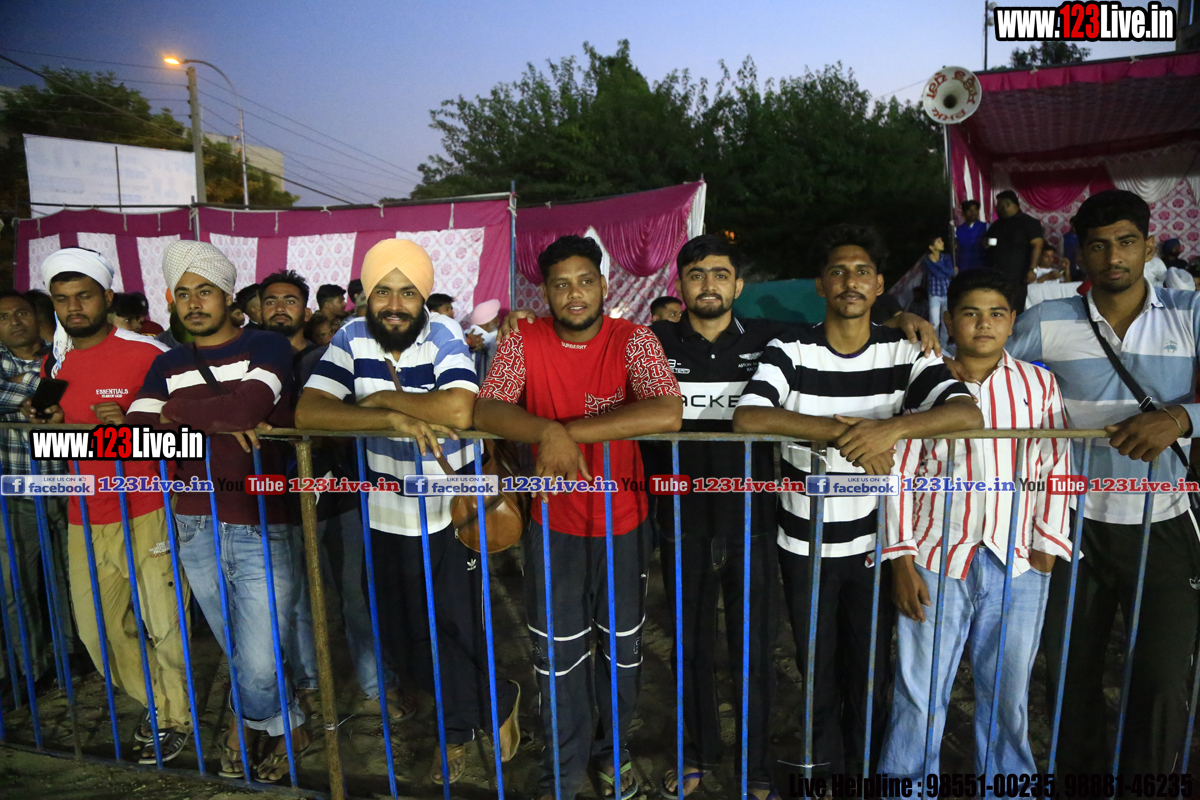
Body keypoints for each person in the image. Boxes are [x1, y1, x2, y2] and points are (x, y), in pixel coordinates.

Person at [732, 224, 982, 778]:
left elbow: (967, 412)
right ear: (821, 285)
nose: (850, 280)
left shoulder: (903, 349)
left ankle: (866, 771)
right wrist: (842, 432)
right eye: (838, 271)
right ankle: (821, 771)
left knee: (870, 668)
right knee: (815, 666)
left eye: (862, 271)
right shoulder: (791, 348)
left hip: (875, 541)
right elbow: (749, 416)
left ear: (879, 285)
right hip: (804, 541)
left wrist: (891, 430)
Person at [296, 238, 519, 785]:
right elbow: (310, 410)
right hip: (383, 507)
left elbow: (459, 408)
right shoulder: (350, 337)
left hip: (450, 506)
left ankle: (455, 733)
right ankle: (497, 696)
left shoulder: (442, 333)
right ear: (366, 297)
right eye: (383, 292)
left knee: (454, 626)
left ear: (423, 297)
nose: (395, 304)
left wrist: (376, 401)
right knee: (398, 631)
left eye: (408, 292)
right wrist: (392, 420)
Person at [996, 189, 1200, 776]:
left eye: (1127, 242)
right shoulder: (1047, 320)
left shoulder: (1189, 312)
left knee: (1164, 677)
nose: (1114, 257)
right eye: (1099, 246)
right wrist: (912, 328)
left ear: (1149, 246)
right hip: (1070, 526)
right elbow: (980, 368)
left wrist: (1180, 418)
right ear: (1080, 254)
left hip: (1164, 522)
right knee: (1069, 675)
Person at [474, 234, 683, 800]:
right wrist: (547, 432)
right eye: (561, 284)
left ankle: (611, 752)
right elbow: (487, 408)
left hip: (624, 521)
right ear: (544, 292)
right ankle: (562, 775)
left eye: (585, 281)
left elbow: (667, 411)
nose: (575, 294)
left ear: (603, 285)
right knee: (558, 658)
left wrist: (565, 434)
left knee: (622, 653)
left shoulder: (633, 338)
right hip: (552, 524)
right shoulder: (524, 339)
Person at [879, 269, 1071, 782]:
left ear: (1012, 322)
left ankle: (1006, 785)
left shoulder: (1037, 384)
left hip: (1019, 560)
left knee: (1008, 692)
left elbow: (1054, 461)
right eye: (970, 313)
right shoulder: (926, 379)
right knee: (920, 690)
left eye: (996, 314)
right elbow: (898, 471)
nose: (984, 324)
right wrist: (901, 558)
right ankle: (907, 787)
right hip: (935, 556)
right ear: (948, 321)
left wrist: (1047, 543)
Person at [125, 241, 305, 783]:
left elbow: (246, 407)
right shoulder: (166, 361)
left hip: (258, 517)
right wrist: (216, 417)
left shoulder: (266, 344)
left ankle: (241, 725)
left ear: (228, 296)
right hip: (194, 518)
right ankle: (289, 723)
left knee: (258, 653)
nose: (194, 302)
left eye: (204, 291)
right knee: (238, 643)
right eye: (182, 293)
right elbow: (137, 432)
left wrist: (176, 409)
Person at [24, 248, 191, 764]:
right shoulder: (57, 360)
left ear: (107, 297)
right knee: (97, 631)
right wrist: (49, 425)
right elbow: (64, 439)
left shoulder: (149, 354)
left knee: (165, 624)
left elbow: (184, 436)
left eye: (84, 296)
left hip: (147, 505)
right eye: (62, 299)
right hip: (84, 512)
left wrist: (132, 426)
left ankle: (175, 718)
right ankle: (157, 703)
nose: (73, 308)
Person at [642, 235, 782, 799]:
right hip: (681, 521)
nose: (708, 284)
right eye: (696, 274)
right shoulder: (653, 342)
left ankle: (754, 765)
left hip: (752, 519)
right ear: (680, 284)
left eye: (720, 274)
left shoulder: (770, 339)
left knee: (754, 650)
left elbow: (845, 331)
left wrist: (904, 319)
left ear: (738, 285)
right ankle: (696, 751)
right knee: (691, 646)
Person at [0, 290, 69, 693]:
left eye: (21, 313)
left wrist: (21, 390)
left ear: (37, 315)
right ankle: (32, 668)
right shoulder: (54, 365)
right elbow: (60, 390)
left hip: (68, 487)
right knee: (16, 586)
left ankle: (71, 656)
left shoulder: (62, 354)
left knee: (69, 580)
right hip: (16, 494)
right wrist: (40, 389)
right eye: (3, 317)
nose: (14, 322)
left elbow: (75, 389)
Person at [985, 190, 1044, 313]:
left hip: (1018, 275)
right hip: (996, 275)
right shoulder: (996, 225)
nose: (996, 208)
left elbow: (1037, 245)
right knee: (998, 308)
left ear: (1006, 205)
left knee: (1015, 309)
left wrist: (1032, 269)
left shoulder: (1029, 222)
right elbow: (989, 244)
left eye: (998, 205)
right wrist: (986, 243)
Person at [922, 234, 955, 337]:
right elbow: (938, 274)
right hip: (934, 293)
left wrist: (937, 263)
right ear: (931, 247)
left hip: (946, 291)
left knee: (946, 321)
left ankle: (943, 344)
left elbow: (951, 273)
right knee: (934, 322)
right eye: (939, 242)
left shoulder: (946, 257)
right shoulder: (927, 259)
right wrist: (947, 270)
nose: (942, 243)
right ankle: (934, 342)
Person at [465, 299, 501, 382]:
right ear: (488, 322)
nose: (499, 321)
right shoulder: (488, 341)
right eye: (496, 317)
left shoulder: (466, 334)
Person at [955, 200, 988, 272]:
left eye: (975, 210)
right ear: (963, 213)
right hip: (963, 267)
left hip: (982, 267)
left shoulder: (986, 227)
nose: (973, 213)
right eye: (969, 210)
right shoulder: (957, 230)